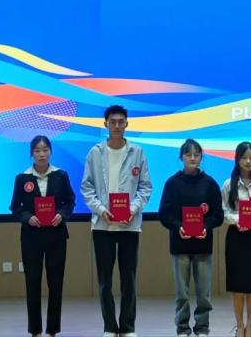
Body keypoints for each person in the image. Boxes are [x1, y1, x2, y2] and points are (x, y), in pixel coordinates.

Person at [80, 105, 152, 337]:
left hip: (130, 226)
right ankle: (110, 327)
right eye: (113, 122)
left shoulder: (137, 152)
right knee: (105, 281)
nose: (117, 125)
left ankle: (128, 327)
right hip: (102, 226)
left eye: (121, 121)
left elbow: (145, 187)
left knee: (128, 279)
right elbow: (87, 187)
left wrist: (132, 209)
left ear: (127, 124)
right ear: (105, 125)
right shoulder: (95, 153)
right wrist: (101, 210)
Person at [9, 135, 76, 337]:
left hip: (56, 236)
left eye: (45, 150)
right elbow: (15, 207)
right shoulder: (22, 178)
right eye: (37, 150)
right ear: (31, 153)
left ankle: (52, 330)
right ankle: (35, 330)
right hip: (31, 237)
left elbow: (70, 201)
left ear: (51, 152)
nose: (41, 154)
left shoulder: (61, 175)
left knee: (55, 284)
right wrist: (27, 217)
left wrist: (62, 215)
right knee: (32, 284)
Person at [159, 139, 224, 337]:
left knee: (204, 293)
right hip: (180, 246)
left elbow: (218, 215)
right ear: (181, 158)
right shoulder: (172, 183)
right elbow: (165, 214)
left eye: (197, 155)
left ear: (201, 157)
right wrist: (178, 227)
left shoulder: (210, 183)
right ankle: (182, 328)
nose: (193, 158)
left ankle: (202, 327)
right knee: (182, 293)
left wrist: (206, 227)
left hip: (203, 246)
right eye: (188, 154)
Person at [220, 142, 251, 337]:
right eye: (244, 157)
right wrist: (238, 220)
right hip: (236, 237)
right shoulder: (228, 184)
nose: (248, 161)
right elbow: (223, 212)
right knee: (238, 284)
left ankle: (250, 325)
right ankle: (239, 325)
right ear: (237, 159)